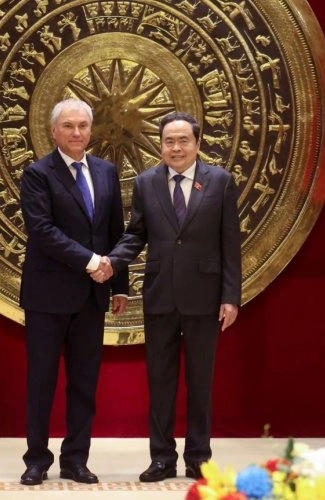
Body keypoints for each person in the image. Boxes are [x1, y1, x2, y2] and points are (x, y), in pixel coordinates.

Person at [94, 111, 241, 482]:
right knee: (160, 382)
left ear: (197, 143)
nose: (176, 148)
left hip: (205, 297)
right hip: (160, 295)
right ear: (160, 146)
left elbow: (230, 244)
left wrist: (231, 296)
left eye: (183, 141)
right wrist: (112, 261)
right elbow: (135, 234)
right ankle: (161, 458)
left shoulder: (220, 181)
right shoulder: (146, 183)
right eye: (169, 141)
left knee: (200, 382)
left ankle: (198, 458)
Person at [19, 98, 128, 485]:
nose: (77, 132)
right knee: (42, 381)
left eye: (82, 125)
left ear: (91, 129)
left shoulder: (106, 171)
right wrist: (91, 261)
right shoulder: (38, 174)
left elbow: (115, 231)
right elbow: (42, 231)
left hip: (92, 297)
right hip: (47, 296)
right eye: (68, 126)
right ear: (54, 131)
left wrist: (119, 285)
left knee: (84, 383)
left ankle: (76, 459)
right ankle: (36, 460)